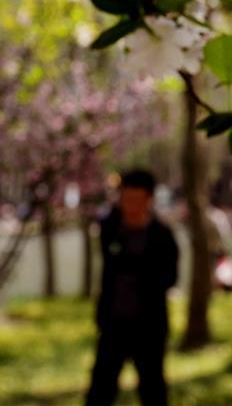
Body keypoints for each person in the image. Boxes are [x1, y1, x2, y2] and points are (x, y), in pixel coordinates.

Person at [84, 169, 179, 406]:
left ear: (149, 200)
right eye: (126, 199)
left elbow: (170, 277)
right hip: (114, 321)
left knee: (153, 388)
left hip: (149, 325)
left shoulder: (162, 235)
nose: (130, 205)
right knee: (101, 388)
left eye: (137, 200)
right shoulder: (110, 228)